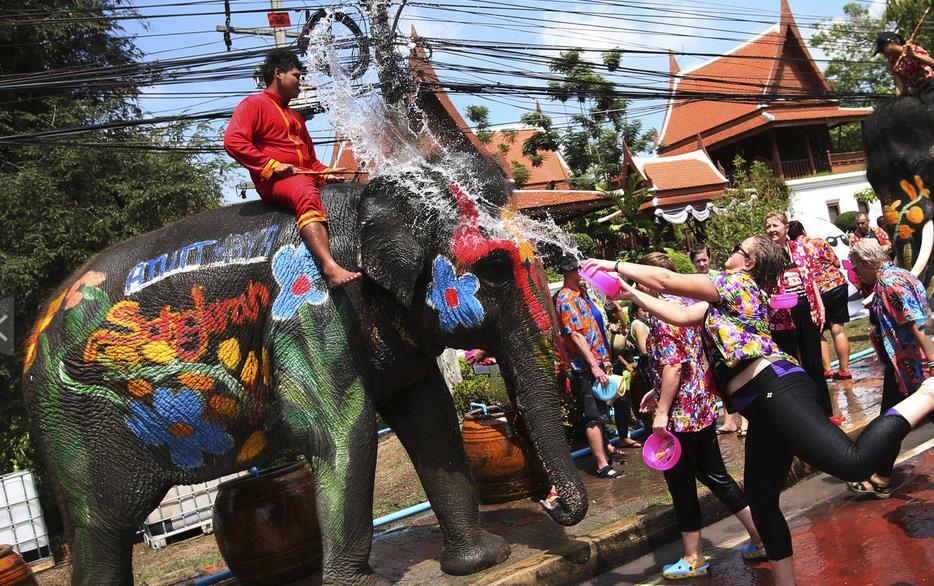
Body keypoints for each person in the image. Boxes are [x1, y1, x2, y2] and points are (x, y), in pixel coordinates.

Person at [584, 239, 934, 586]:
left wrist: (614, 265)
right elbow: (679, 314)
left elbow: (666, 281)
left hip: (776, 389)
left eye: (737, 248)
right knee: (762, 502)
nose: (731, 250)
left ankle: (928, 394)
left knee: (853, 462)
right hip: (761, 402)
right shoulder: (723, 301)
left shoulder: (736, 283)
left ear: (748, 263)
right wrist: (632, 294)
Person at [635, 253, 765, 580]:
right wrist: (656, 389)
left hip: (679, 415)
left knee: (681, 485)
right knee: (715, 475)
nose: (637, 283)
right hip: (701, 406)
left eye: (642, 277)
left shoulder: (660, 313)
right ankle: (762, 536)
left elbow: (674, 365)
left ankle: (694, 557)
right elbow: (688, 359)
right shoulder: (684, 302)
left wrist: (662, 411)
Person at [224, 49, 361, 287]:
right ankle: (330, 268)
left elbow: (311, 162)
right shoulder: (253, 104)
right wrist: (272, 166)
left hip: (303, 176)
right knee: (305, 191)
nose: (300, 82)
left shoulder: (296, 117)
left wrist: (328, 172)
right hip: (274, 182)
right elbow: (233, 141)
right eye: (296, 76)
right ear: (278, 74)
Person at [847, 239, 934, 498]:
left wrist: (931, 359)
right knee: (892, 418)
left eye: (855, 267)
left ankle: (881, 477)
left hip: (913, 365)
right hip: (903, 364)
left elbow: (913, 322)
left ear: (866, 263)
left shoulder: (888, 284)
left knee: (893, 420)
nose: (856, 273)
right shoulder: (901, 274)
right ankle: (882, 476)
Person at [553, 254, 619, 478]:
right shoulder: (566, 299)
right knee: (592, 413)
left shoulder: (580, 295)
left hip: (598, 360)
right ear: (567, 272)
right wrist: (594, 365)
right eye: (576, 270)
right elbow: (577, 336)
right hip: (585, 366)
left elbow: (594, 330)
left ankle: (606, 456)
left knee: (601, 411)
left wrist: (604, 359)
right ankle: (601, 464)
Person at [764, 212, 834, 419]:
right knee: (790, 364)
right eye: (768, 226)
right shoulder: (765, 254)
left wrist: (819, 306)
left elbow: (811, 279)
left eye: (775, 225)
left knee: (814, 361)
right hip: (781, 313)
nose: (771, 229)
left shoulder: (800, 249)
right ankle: (801, 417)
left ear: (786, 227)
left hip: (806, 308)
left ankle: (824, 412)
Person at [787, 221, 853, 382]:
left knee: (818, 332)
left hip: (817, 292)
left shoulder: (793, 249)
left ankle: (827, 370)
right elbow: (836, 262)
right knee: (838, 330)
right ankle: (844, 370)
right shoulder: (818, 241)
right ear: (803, 229)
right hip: (837, 285)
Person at [691, 244, 742, 434]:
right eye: (698, 261)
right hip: (706, 336)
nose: (702, 263)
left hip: (725, 335)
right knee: (718, 376)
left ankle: (745, 420)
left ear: (710, 259)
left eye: (705, 259)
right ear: (693, 263)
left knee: (735, 372)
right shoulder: (692, 282)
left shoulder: (720, 278)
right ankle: (730, 420)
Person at [875, 31, 934, 101]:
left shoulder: (912, 49)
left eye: (882, 49)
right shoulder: (894, 63)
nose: (882, 53)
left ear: (891, 42)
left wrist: (914, 55)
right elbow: (899, 86)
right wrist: (897, 102)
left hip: (930, 85)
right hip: (918, 92)